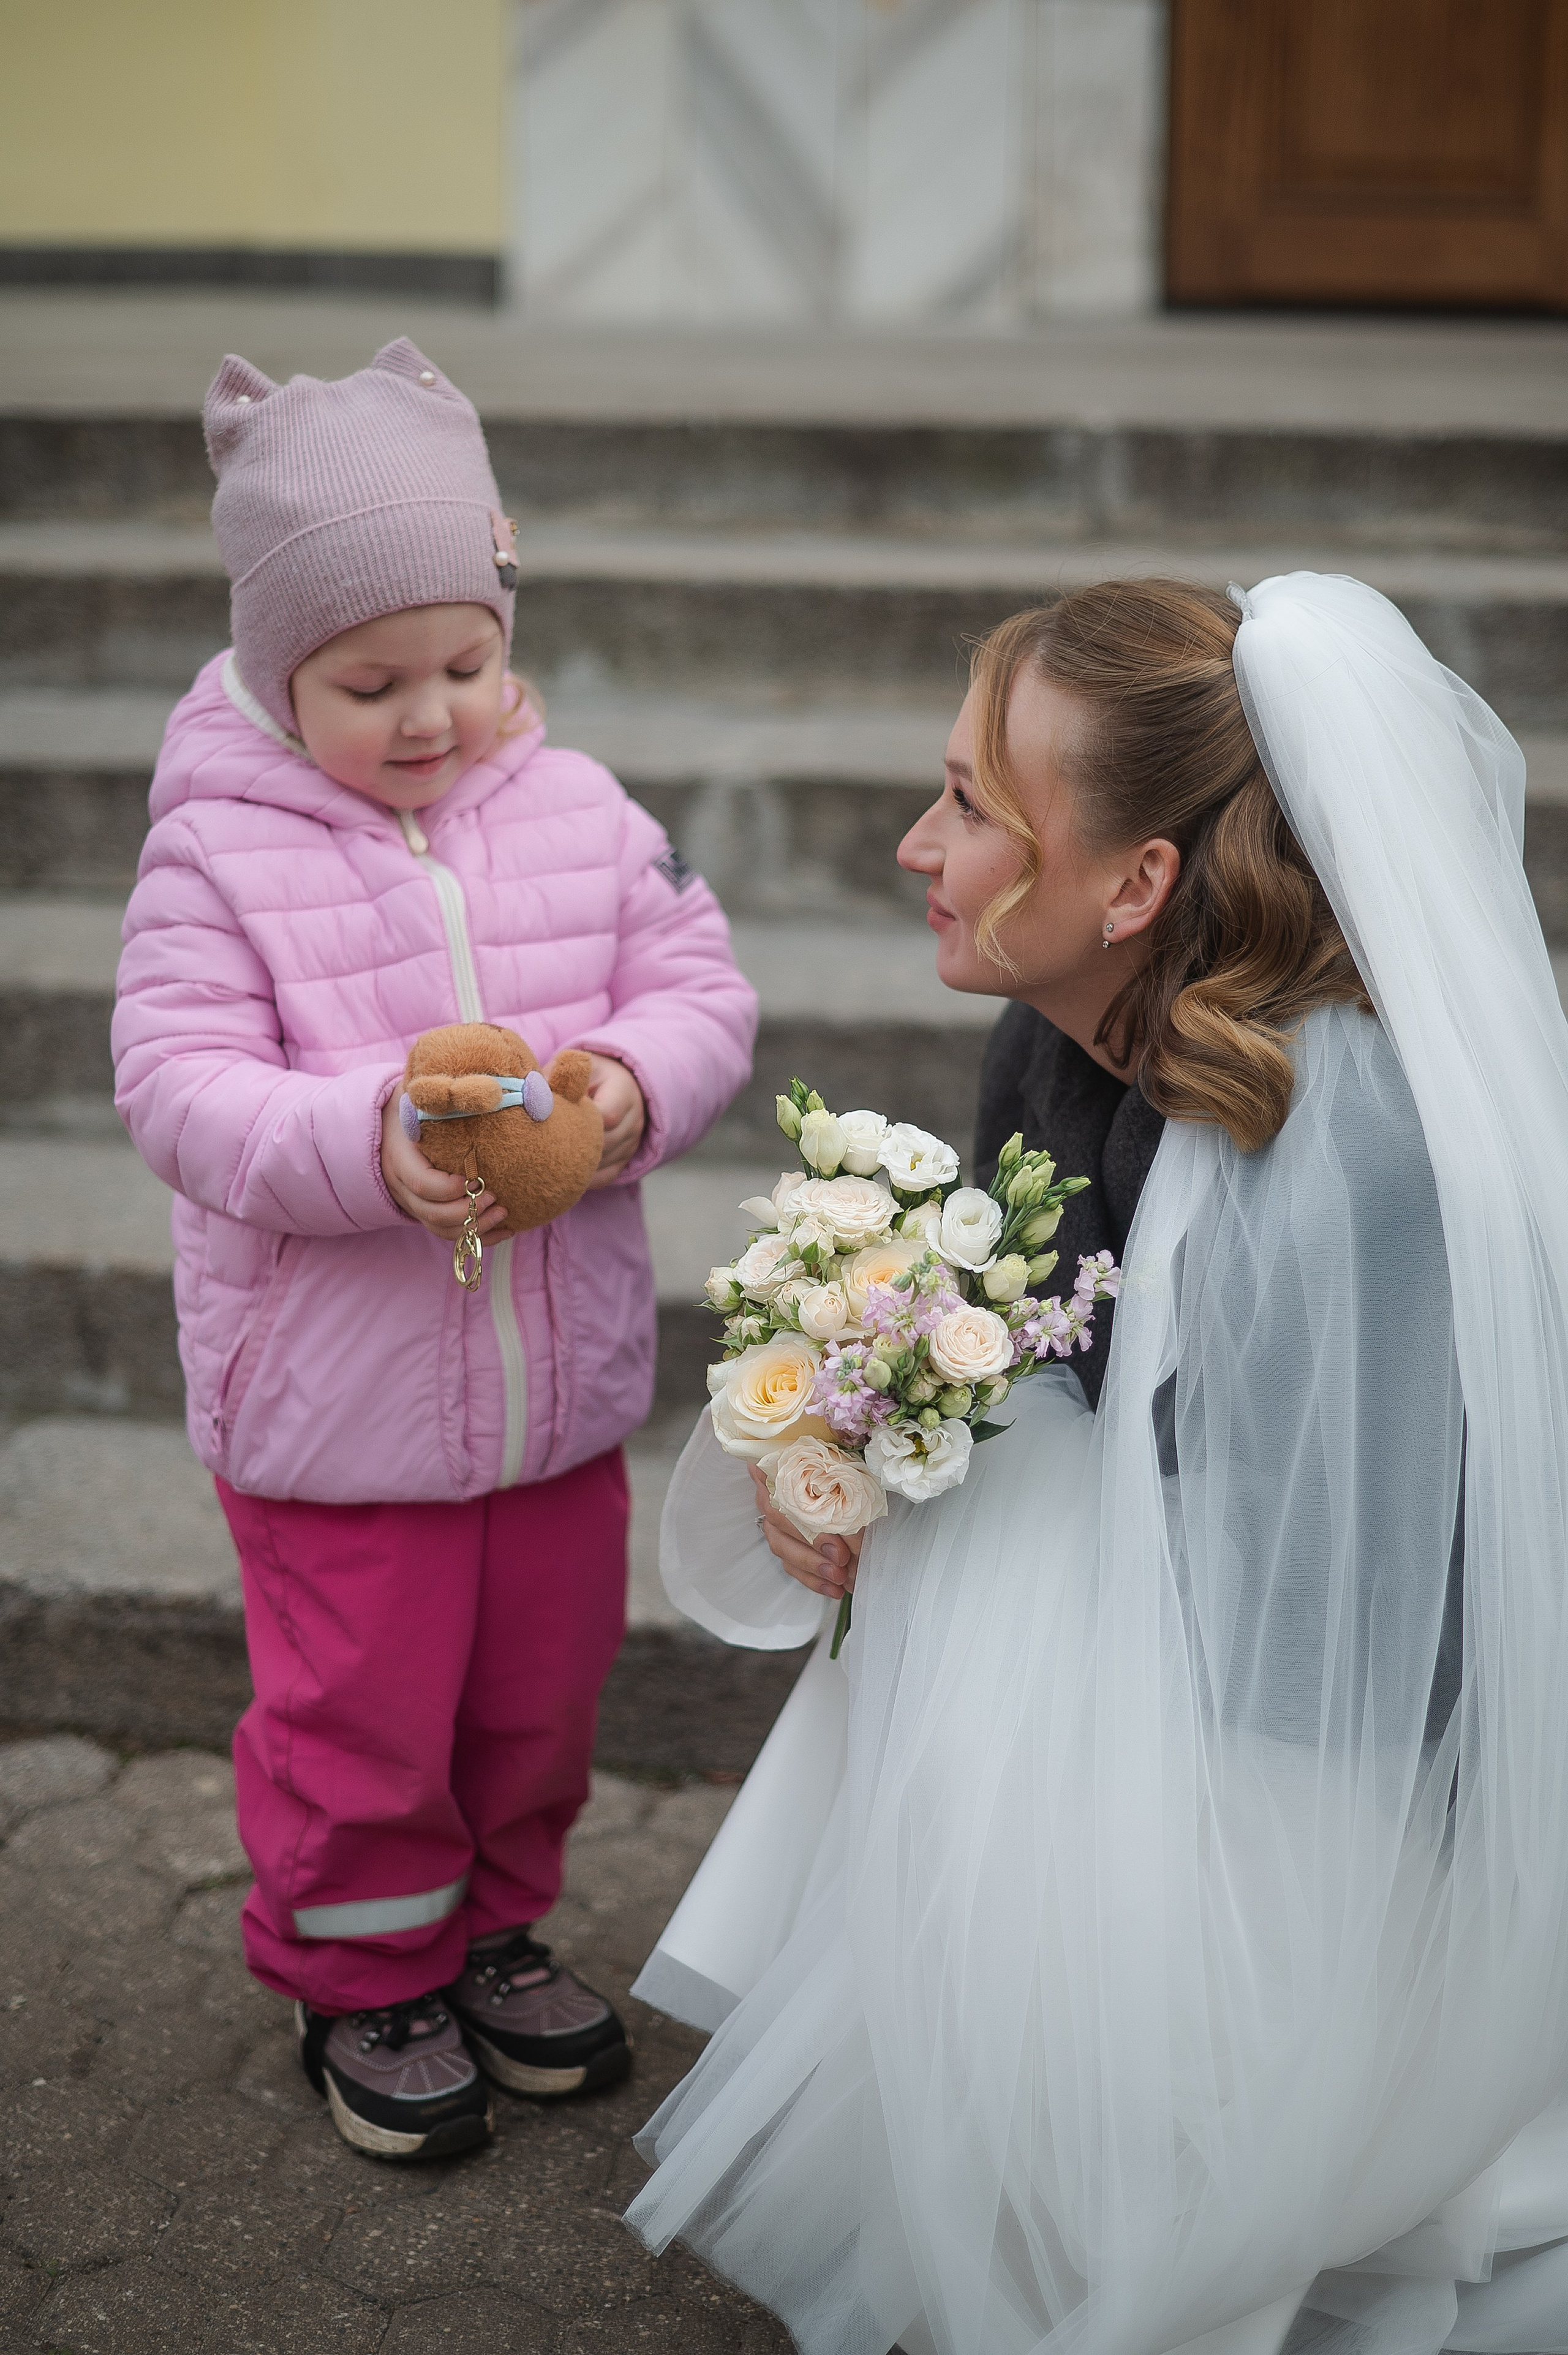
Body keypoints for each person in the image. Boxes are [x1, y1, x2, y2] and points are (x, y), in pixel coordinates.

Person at [624, 578, 1568, 2355]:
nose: (921, 841)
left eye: (976, 806)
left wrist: (970, 1509)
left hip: (1351, 1790)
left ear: (1136, 888)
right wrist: (865, 1425)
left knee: (975, 1531)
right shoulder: (1051, 1031)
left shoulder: (1347, 1163)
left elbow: (1326, 1683)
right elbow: (1044, 1361)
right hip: (1214, 1669)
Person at [111, 339, 757, 2162]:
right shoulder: (220, 850)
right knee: (363, 1711)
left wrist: (629, 1093)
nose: (430, 716)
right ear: (269, 665)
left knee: (535, 1693)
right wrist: (368, 1145)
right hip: (335, 1404)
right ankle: (361, 1964)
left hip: (552, 1398)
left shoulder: (581, 809)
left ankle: (493, 1923)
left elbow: (698, 983)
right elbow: (173, 1082)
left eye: (466, 664)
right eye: (368, 681)